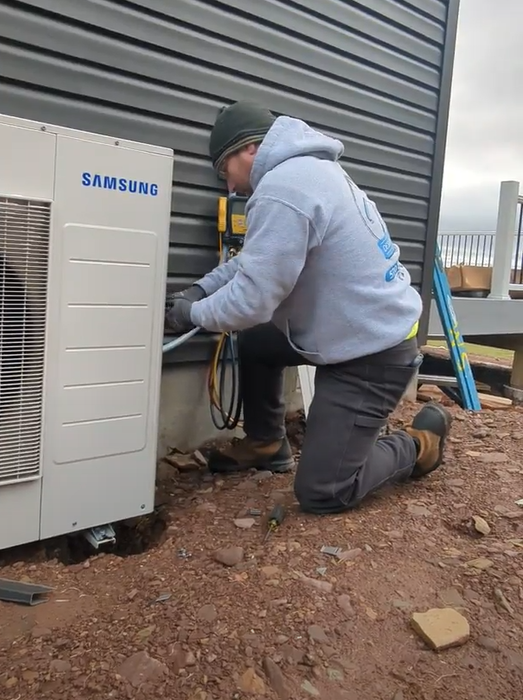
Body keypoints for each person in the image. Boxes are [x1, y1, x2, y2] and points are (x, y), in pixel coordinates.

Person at [166, 102, 452, 514]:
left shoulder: (285, 190)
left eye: (222, 170)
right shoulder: (307, 174)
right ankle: (266, 442)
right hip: (349, 330)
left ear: (246, 151)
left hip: (373, 354)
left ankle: (419, 445)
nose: (229, 186)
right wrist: (198, 290)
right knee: (258, 342)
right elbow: (252, 265)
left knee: (325, 490)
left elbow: (250, 301)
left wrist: (189, 314)